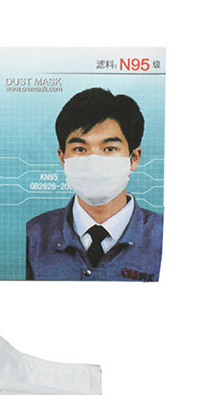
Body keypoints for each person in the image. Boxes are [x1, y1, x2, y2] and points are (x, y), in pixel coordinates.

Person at [25, 87, 163, 281]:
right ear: (63, 158)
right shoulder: (32, 237)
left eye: (109, 148)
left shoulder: (164, 236)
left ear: (134, 158)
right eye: (80, 149)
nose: (94, 163)